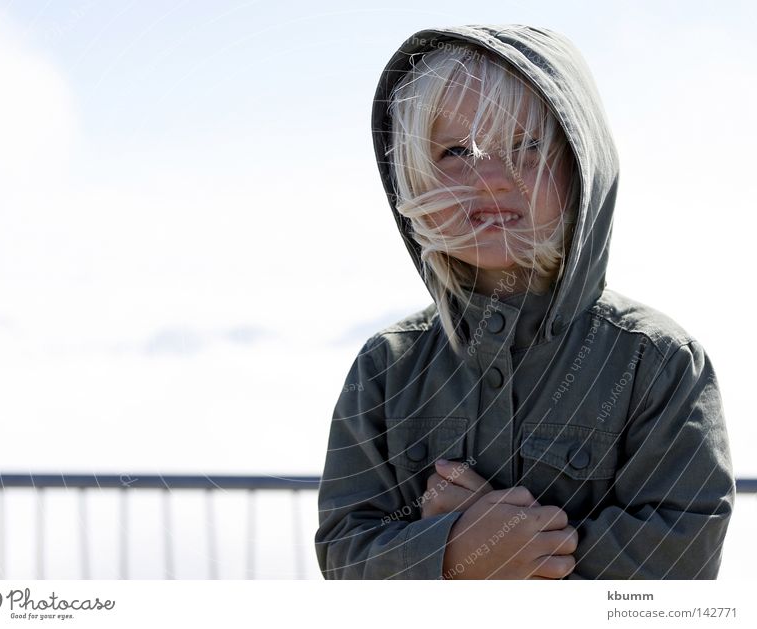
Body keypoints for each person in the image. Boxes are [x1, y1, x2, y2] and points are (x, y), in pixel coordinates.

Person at [314, 24, 734, 579]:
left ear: (581, 164)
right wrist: (454, 554)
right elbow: (345, 551)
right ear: (410, 175)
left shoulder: (655, 361)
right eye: (455, 151)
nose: (490, 179)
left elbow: (682, 553)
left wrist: (502, 552)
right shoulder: (386, 368)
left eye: (526, 146)